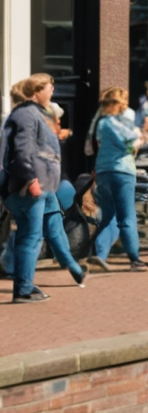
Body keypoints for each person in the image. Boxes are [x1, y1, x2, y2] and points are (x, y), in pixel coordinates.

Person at [6, 74, 81, 301]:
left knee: (46, 231)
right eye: (50, 88)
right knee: (31, 238)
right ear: (37, 91)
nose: (52, 92)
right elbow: (23, 150)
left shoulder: (36, 114)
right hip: (34, 187)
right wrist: (31, 180)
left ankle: (70, 269)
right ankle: (23, 290)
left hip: (46, 186)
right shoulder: (27, 115)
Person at [86, 87, 148, 272]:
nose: (125, 106)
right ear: (114, 104)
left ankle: (99, 256)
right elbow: (128, 144)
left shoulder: (99, 123)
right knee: (127, 216)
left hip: (103, 172)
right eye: (123, 103)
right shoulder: (110, 122)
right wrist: (139, 140)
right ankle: (135, 260)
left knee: (109, 217)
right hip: (121, 171)